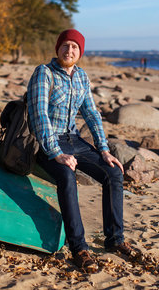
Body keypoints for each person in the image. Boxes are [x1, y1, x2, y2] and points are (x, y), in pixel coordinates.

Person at [27, 29, 140, 273]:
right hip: (46, 142)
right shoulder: (43, 73)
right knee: (67, 177)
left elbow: (91, 113)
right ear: (57, 48)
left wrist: (104, 149)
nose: (70, 51)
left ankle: (115, 239)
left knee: (113, 173)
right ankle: (79, 247)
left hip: (74, 139)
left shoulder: (81, 77)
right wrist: (55, 152)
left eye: (75, 47)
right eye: (66, 46)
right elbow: (39, 116)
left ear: (80, 52)